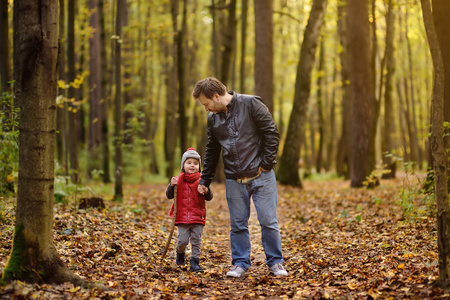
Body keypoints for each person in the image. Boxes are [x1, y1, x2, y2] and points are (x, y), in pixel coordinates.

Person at [192, 77, 288, 277]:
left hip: (262, 176)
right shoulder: (213, 119)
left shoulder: (251, 103)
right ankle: (240, 264)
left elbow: (271, 133)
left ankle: (276, 262)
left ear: (216, 96)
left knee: (268, 221)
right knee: (237, 224)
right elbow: (212, 150)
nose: (206, 109)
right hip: (234, 179)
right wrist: (205, 180)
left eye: (206, 103)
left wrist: (266, 164)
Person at [165, 147, 213, 272]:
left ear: (199, 166)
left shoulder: (202, 180)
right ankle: (180, 253)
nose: (192, 165)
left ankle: (195, 262)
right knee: (182, 240)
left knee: (196, 240)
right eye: (189, 163)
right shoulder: (178, 180)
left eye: (196, 163)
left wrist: (206, 190)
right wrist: (171, 185)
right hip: (182, 216)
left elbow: (209, 197)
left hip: (197, 216)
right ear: (183, 166)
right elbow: (169, 195)